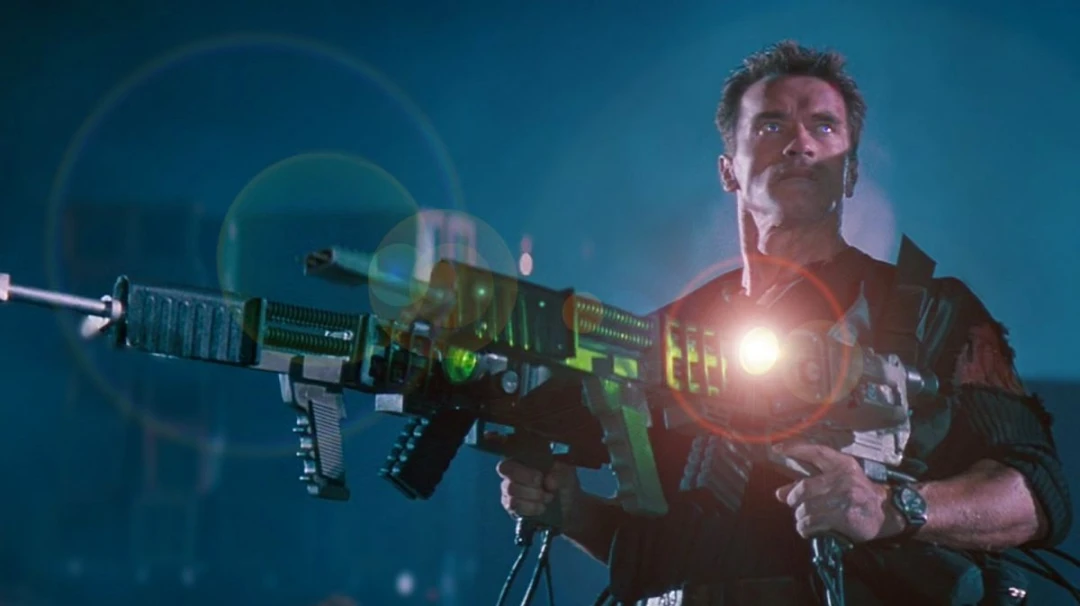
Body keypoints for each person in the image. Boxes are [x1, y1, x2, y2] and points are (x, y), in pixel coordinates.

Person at [496, 40, 1073, 605]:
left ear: (850, 171)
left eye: (824, 126)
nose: (800, 143)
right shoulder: (669, 334)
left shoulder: (933, 311)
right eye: (771, 125)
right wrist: (575, 514)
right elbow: (665, 552)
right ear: (728, 169)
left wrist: (890, 508)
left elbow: (1037, 495)